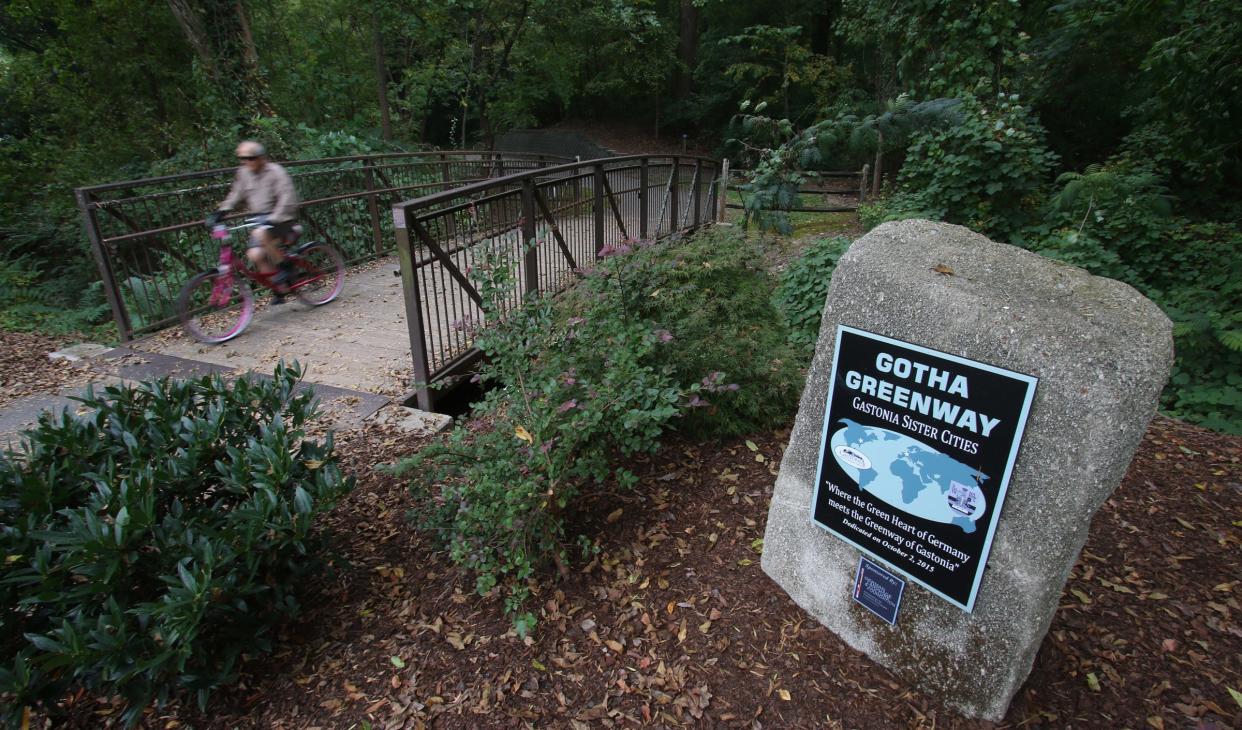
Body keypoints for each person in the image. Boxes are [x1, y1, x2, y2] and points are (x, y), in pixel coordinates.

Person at [206, 140, 300, 297]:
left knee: (260, 234)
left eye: (250, 158)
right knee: (254, 255)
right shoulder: (243, 173)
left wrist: (274, 218)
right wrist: (221, 212)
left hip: (282, 218)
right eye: (242, 158)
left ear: (261, 157)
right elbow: (236, 194)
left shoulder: (276, 172)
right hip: (260, 219)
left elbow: (287, 198)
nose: (246, 162)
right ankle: (279, 288)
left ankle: (286, 267)